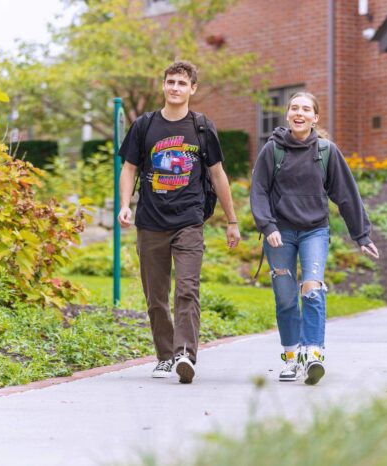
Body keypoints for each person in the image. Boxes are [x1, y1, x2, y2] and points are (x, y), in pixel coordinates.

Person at [118, 60, 240, 384]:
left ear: (192, 89)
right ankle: (164, 355)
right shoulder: (144, 125)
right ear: (163, 85)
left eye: (182, 83)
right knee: (156, 296)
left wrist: (232, 220)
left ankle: (185, 353)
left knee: (187, 288)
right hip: (150, 221)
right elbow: (129, 167)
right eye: (170, 82)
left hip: (189, 220)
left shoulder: (202, 127)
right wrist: (124, 205)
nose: (175, 88)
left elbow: (217, 174)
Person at [250, 92, 379, 385]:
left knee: (312, 287)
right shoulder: (273, 150)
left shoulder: (326, 151)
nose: (299, 113)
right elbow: (258, 190)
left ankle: (313, 353)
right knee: (285, 298)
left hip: (314, 231)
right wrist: (268, 227)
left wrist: (361, 234)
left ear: (315, 118)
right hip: (279, 234)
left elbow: (346, 194)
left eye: (306, 109)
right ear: (287, 114)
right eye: (294, 108)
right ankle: (291, 358)